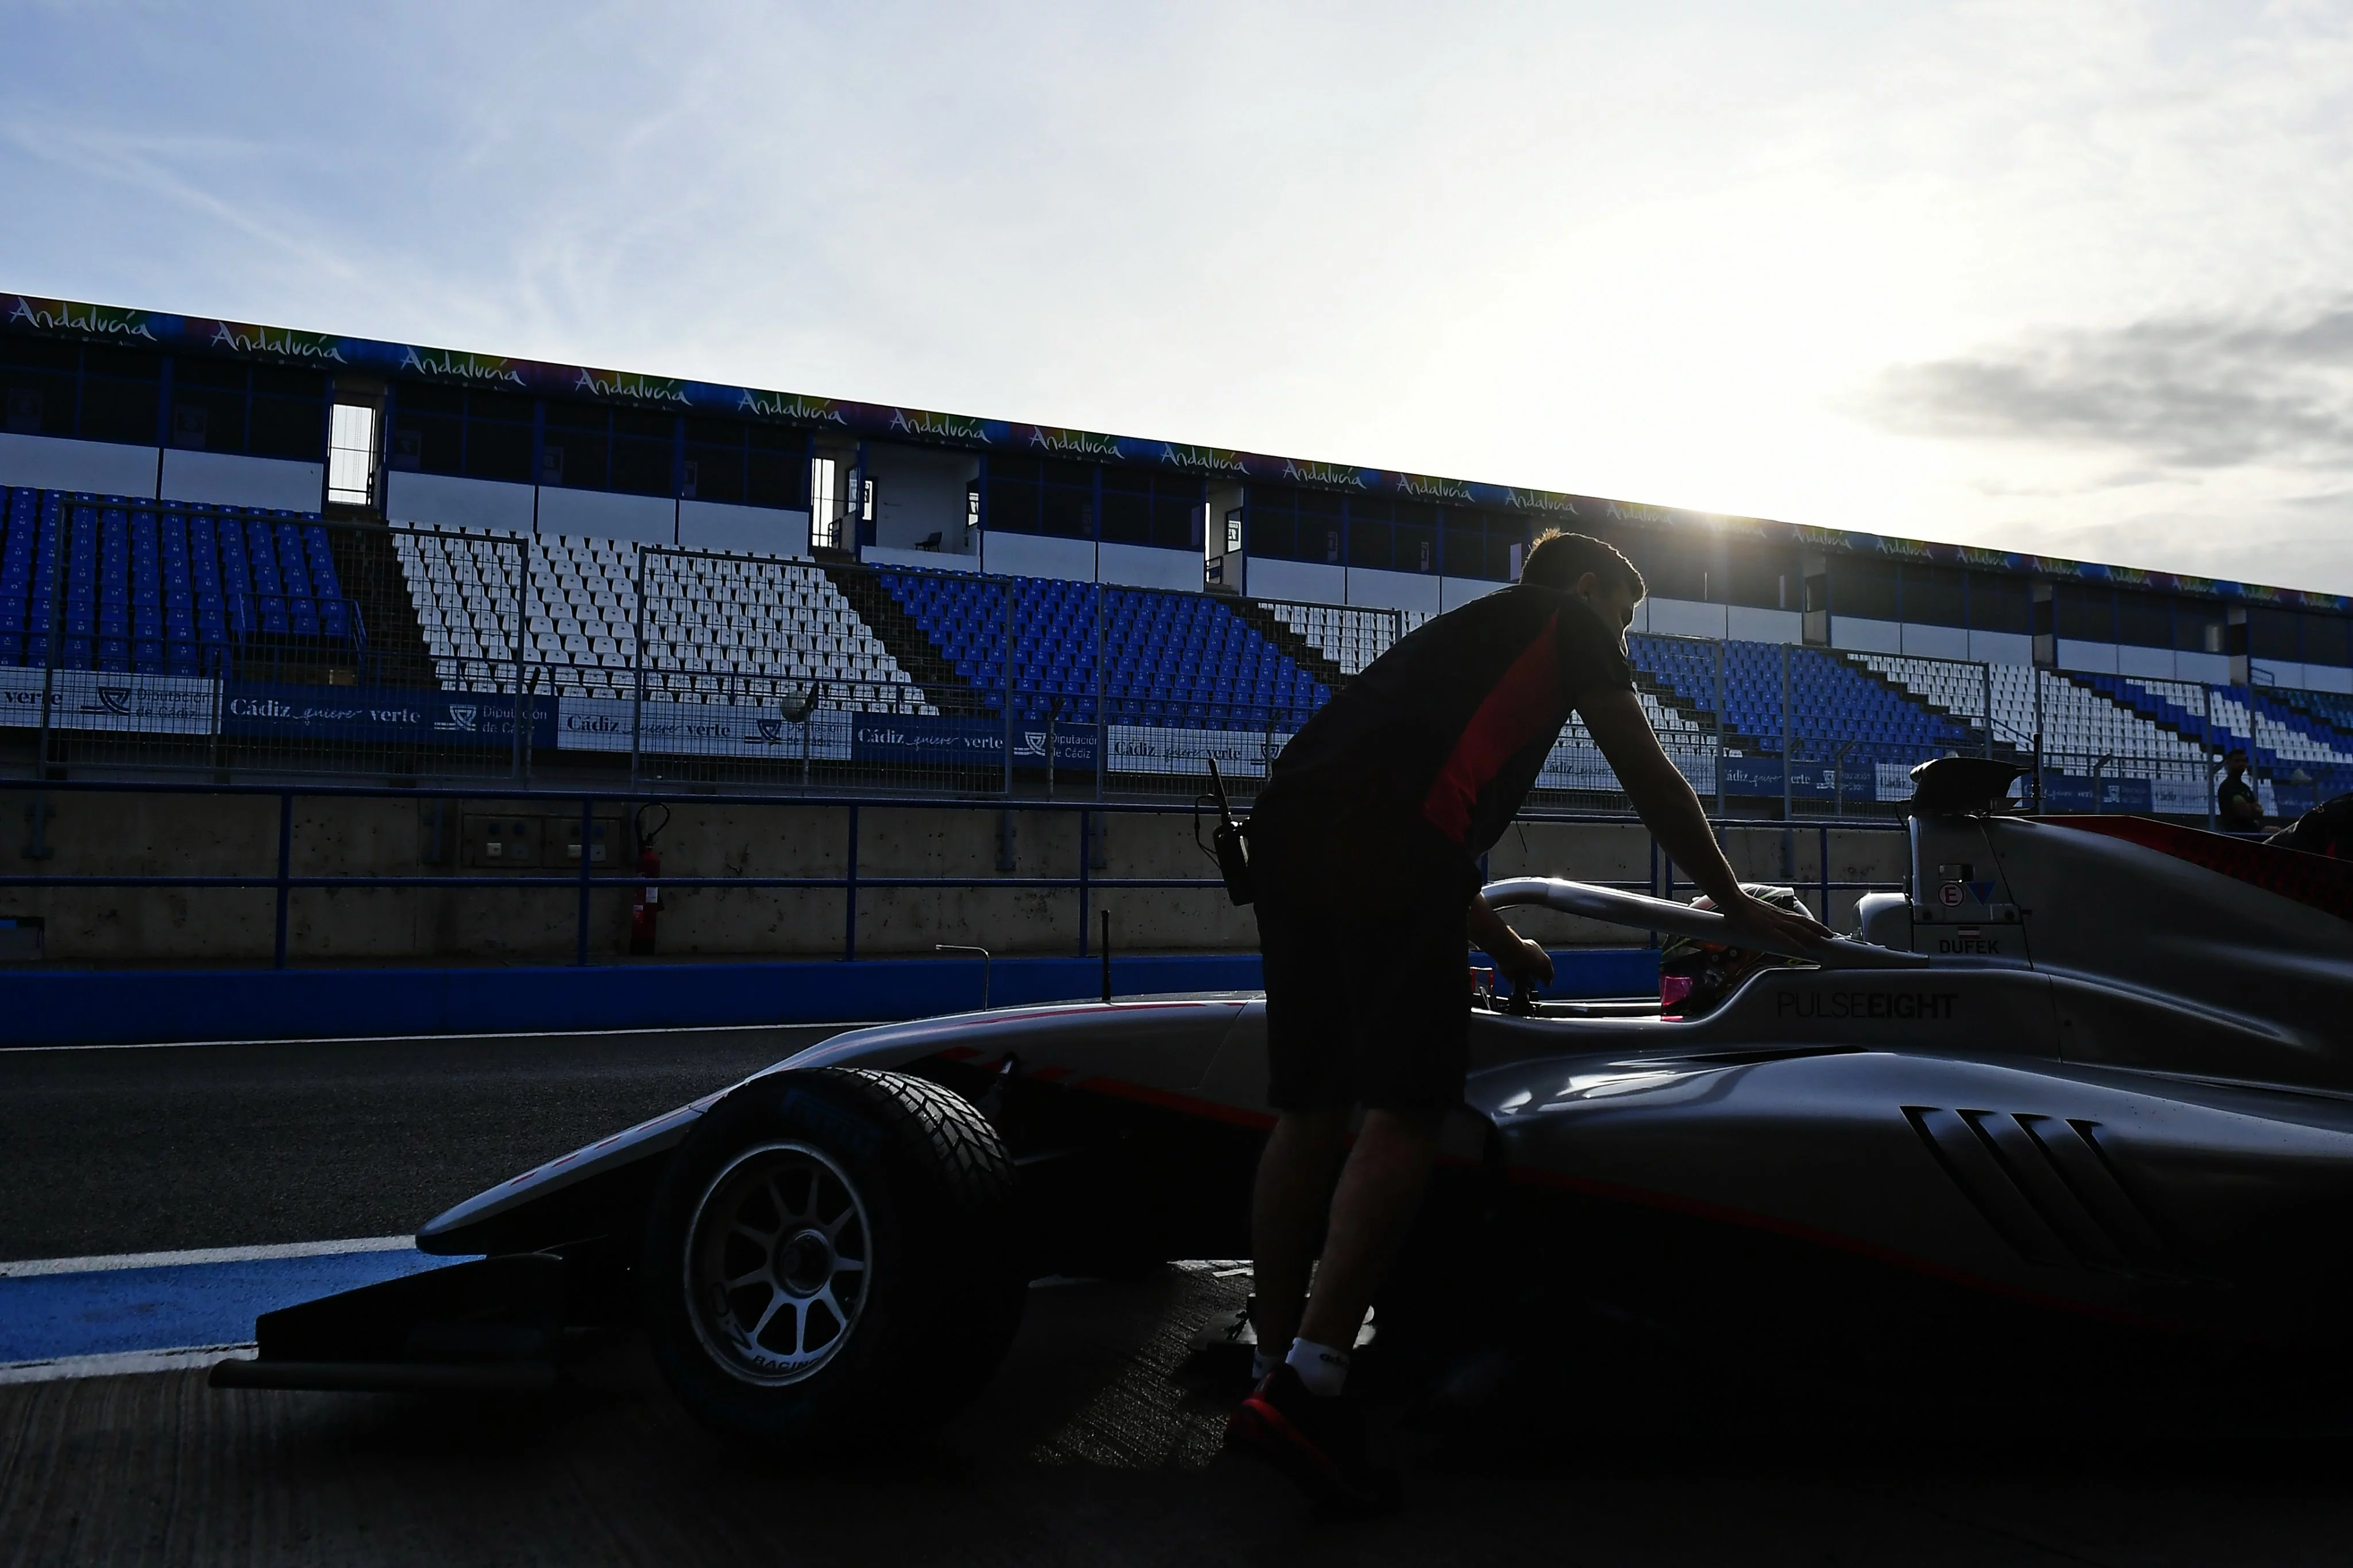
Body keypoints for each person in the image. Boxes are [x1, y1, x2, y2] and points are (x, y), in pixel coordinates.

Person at [1223, 530, 1828, 1514]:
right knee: (1408, 1106)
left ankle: (1268, 1366)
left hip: (1287, 830)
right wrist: (1726, 901)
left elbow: (1407, 799)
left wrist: (1498, 942)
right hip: (1384, 844)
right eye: (1625, 616)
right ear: (1591, 589)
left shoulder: (1462, 641)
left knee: (1311, 1105)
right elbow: (1644, 769)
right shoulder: (1571, 622)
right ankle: (1316, 1381)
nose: (1622, 636)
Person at [2217, 748, 2264, 831]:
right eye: (2237, 761)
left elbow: (2260, 812)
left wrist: (2250, 808)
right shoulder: (2228, 786)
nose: (2241, 764)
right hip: (2238, 832)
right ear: (2229, 764)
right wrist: (2252, 808)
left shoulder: (2245, 787)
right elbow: (2243, 811)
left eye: (2244, 761)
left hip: (2252, 830)